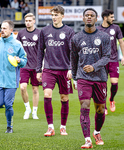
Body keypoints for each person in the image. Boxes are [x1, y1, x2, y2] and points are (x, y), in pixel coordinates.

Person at [71, 8, 111, 149]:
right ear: (83, 19)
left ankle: (97, 132)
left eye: (91, 15)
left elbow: (107, 57)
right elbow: (73, 59)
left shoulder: (104, 37)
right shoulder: (76, 38)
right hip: (83, 78)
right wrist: (75, 78)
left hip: (100, 78)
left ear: (96, 18)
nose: (89, 17)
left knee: (100, 110)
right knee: (84, 106)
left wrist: (94, 66)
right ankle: (87, 139)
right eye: (86, 15)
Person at [36, 5, 75, 136]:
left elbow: (73, 52)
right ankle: (50, 127)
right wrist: (38, 70)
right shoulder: (45, 31)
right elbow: (40, 51)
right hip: (49, 69)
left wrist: (71, 68)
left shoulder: (69, 31)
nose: (54, 17)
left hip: (64, 70)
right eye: (52, 15)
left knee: (64, 98)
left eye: (56, 15)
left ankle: (63, 126)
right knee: (47, 94)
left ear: (62, 16)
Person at [0, 20, 27, 133]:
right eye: (1, 28)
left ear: (11, 30)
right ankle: (7, 102)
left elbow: (24, 60)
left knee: (8, 105)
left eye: (5, 28)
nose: (2, 30)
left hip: (11, 80)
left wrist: (20, 60)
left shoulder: (17, 44)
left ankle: (9, 127)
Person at [97, 9, 124, 115]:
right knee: (102, 85)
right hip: (101, 61)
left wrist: (123, 56)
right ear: (105, 18)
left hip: (113, 59)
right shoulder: (97, 29)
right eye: (112, 17)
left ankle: (112, 99)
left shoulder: (116, 28)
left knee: (114, 83)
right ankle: (104, 106)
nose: (113, 19)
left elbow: (121, 42)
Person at [17, 13, 41, 120]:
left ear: (34, 21)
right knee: (22, 87)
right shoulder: (21, 33)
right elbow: (17, 48)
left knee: (35, 90)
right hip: (24, 65)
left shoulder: (40, 33)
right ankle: (27, 109)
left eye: (30, 20)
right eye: (26, 21)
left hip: (36, 66)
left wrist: (42, 65)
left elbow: (43, 50)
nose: (28, 22)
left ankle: (34, 112)